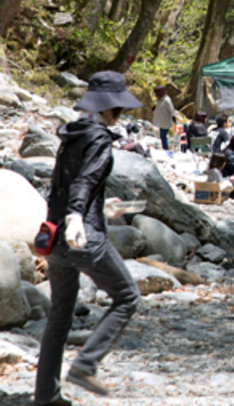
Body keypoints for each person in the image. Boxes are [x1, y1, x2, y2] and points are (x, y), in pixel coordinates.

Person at [35, 71, 143, 404]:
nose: (120, 116)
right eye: (119, 109)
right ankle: (85, 364)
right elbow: (83, 182)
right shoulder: (98, 138)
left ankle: (45, 396)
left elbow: (64, 186)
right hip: (82, 237)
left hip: (54, 237)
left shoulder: (72, 134)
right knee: (127, 297)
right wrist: (79, 215)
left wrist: (97, 205)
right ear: (110, 108)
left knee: (60, 314)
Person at [152, 85, 175, 151]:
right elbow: (156, 105)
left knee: (163, 136)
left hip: (165, 121)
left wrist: (174, 118)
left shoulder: (167, 100)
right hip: (161, 120)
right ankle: (165, 148)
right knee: (162, 135)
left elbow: (171, 109)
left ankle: (166, 148)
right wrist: (152, 109)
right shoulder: (160, 99)